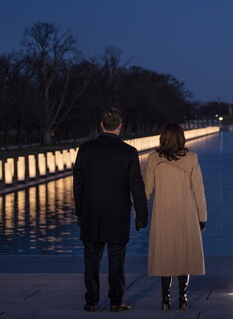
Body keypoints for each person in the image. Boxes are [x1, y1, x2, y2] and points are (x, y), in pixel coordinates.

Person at [73, 108, 148, 313]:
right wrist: (142, 215)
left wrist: (79, 211)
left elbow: (78, 183)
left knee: (91, 258)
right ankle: (116, 301)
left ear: (102, 125)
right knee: (116, 260)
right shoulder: (128, 152)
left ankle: (91, 301)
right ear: (120, 126)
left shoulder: (85, 150)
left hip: (91, 211)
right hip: (117, 214)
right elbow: (136, 185)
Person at [144, 123, 207, 311]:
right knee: (183, 254)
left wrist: (137, 212)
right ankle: (183, 298)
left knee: (166, 254)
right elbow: (199, 191)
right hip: (186, 212)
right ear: (182, 138)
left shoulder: (154, 159)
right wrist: (202, 217)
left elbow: (146, 190)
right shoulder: (192, 158)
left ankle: (165, 299)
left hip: (162, 213)